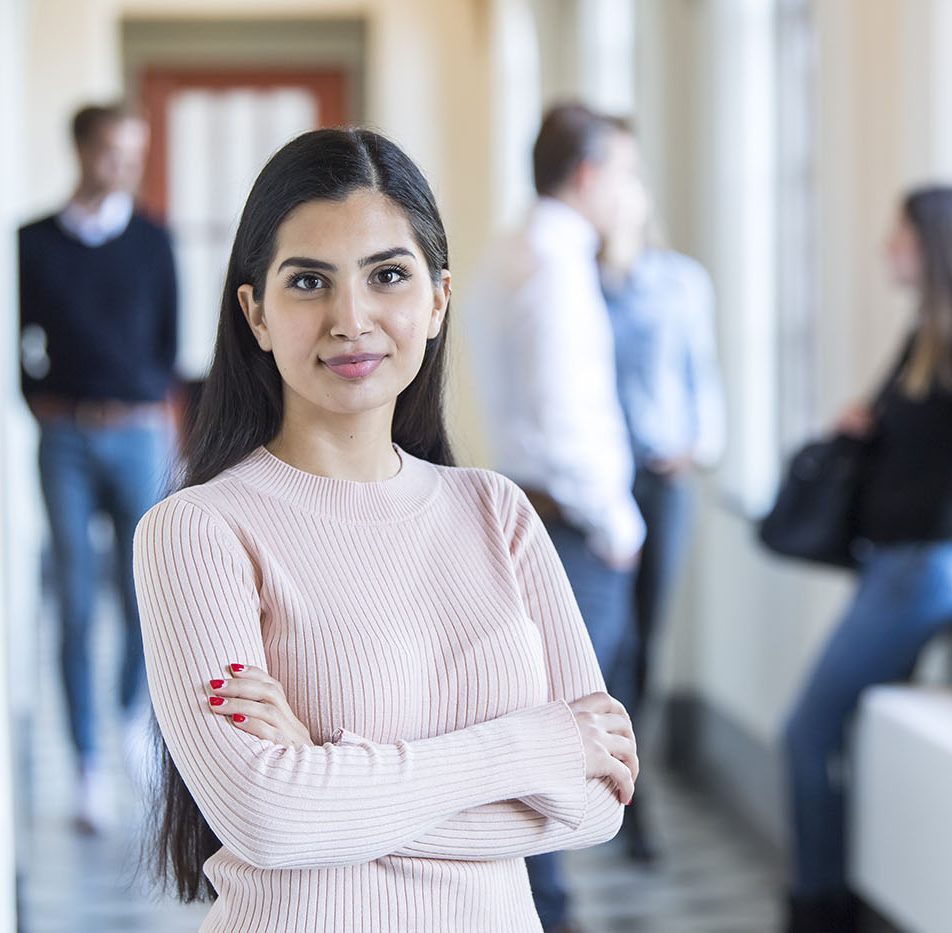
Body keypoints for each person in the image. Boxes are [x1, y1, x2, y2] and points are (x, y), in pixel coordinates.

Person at [133, 127, 638, 932]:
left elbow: (602, 797)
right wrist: (535, 745)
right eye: (308, 282)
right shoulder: (197, 531)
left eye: (388, 276)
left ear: (437, 300)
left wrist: (323, 775)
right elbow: (267, 818)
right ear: (255, 312)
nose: (352, 318)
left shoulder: (496, 510)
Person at [782, 186, 952, 933]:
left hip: (928, 570)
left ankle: (818, 910)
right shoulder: (924, 342)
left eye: (897, 237)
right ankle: (836, 897)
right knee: (837, 737)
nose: (885, 250)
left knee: (804, 733)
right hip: (897, 567)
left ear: (933, 247)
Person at [467, 101, 647, 931]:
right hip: (572, 520)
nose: (629, 192)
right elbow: (569, 411)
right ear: (586, 176)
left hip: (535, 504)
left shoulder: (515, 248)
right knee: (568, 728)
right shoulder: (558, 259)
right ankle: (547, 907)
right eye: (624, 173)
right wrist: (619, 523)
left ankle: (541, 899)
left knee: (542, 717)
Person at [18, 102, 178, 832]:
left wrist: (146, 403)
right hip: (66, 438)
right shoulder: (33, 244)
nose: (125, 164)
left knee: (146, 590)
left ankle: (127, 723)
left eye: (135, 151)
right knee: (76, 602)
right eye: (113, 150)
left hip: (139, 433)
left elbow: (169, 341)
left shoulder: (153, 240)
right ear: (82, 149)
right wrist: (42, 403)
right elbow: (15, 339)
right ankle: (85, 762)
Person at [599, 180, 725, 862]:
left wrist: (700, 445)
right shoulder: (579, 284)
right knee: (604, 638)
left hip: (666, 481)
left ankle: (634, 794)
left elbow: (702, 373)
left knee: (646, 639)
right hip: (600, 486)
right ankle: (596, 780)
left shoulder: (681, 282)